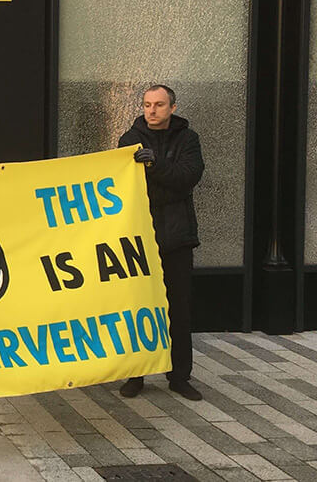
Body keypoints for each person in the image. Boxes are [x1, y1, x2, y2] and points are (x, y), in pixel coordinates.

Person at [117, 84, 205, 401]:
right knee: (137, 308)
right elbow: (131, 188)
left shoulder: (188, 139)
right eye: (146, 104)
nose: (151, 110)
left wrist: (155, 166)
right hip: (140, 239)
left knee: (178, 310)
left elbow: (188, 178)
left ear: (172, 107)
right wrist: (166, 181)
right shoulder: (128, 141)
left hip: (178, 240)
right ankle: (134, 375)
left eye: (158, 105)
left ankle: (180, 377)